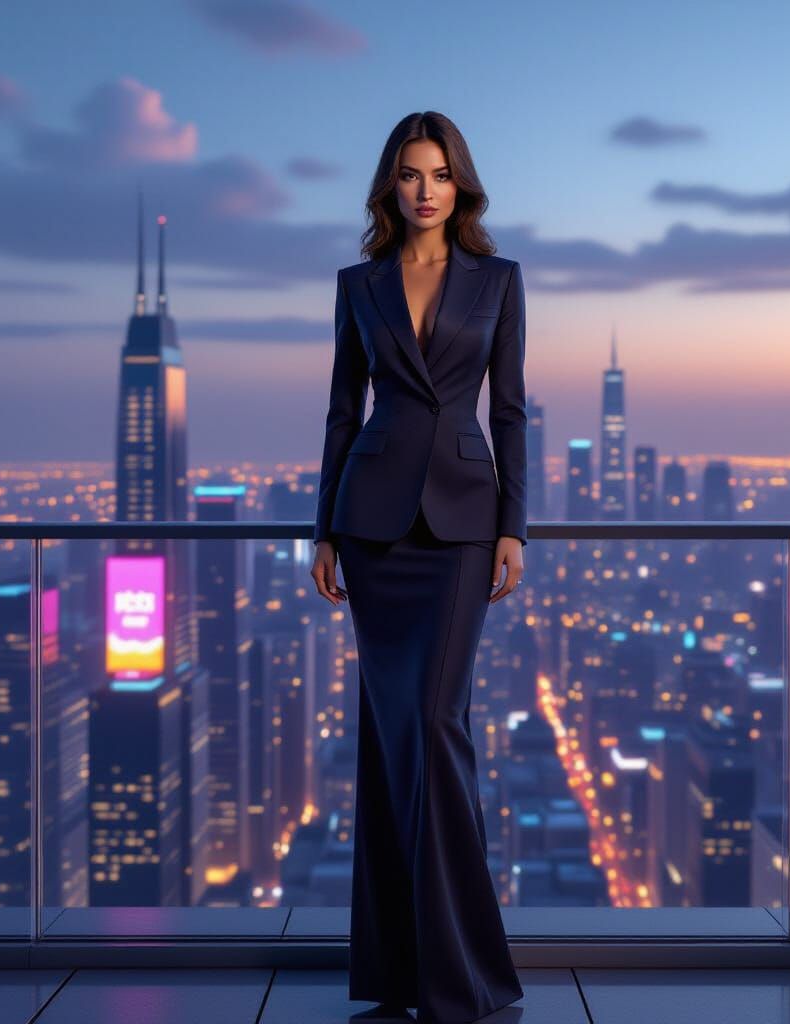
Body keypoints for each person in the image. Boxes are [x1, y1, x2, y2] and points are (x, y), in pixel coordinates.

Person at [311, 110, 527, 1024]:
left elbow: (510, 410)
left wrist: (516, 526)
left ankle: (458, 967)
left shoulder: (500, 281)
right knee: (394, 738)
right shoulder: (358, 283)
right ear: (390, 186)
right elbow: (339, 411)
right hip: (371, 530)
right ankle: (406, 970)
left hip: (465, 527)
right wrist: (322, 529)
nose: (425, 189)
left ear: (460, 183)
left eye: (439, 173)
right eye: (409, 174)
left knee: (437, 724)